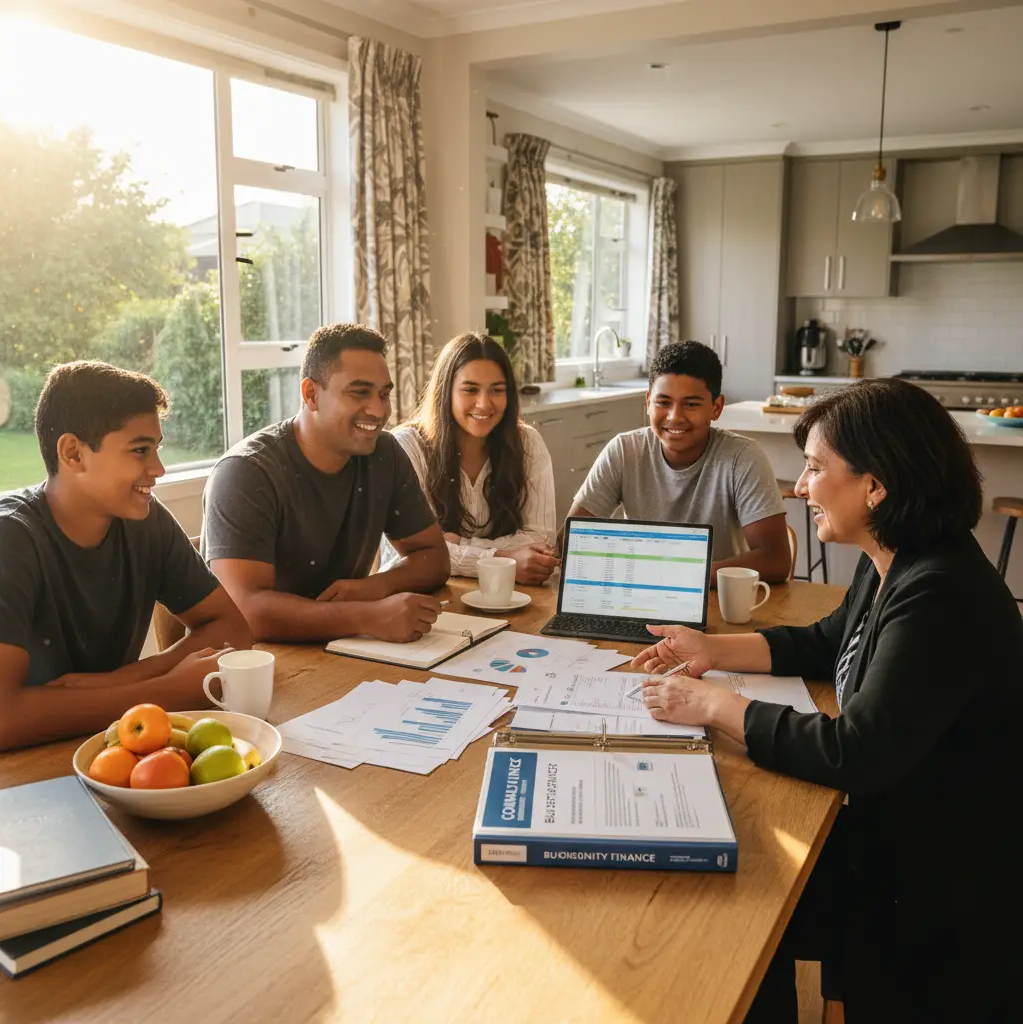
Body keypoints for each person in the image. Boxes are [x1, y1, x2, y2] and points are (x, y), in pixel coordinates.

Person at [630, 378, 1021, 1020]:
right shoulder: (892, 556)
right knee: (737, 893)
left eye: (815, 468)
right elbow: (824, 642)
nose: (802, 487)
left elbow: (856, 752)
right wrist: (710, 649)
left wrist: (712, 706)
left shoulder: (940, 593)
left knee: (734, 901)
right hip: (900, 840)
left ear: (876, 485)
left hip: (942, 891)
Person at [0, 362, 252, 751]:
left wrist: (125, 679)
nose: (159, 469)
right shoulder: (10, 540)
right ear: (73, 453)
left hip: (114, 749)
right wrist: (166, 692)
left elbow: (232, 629)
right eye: (139, 450)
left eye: (157, 449)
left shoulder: (146, 521)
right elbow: (3, 716)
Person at [202, 323, 450, 644]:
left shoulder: (384, 453)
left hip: (341, 649)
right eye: (359, 392)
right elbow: (245, 611)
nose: (379, 410)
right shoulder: (246, 472)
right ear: (311, 394)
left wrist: (374, 587)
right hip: (259, 659)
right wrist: (367, 616)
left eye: (384, 394)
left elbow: (434, 558)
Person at [565, 340, 790, 582]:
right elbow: (570, 540)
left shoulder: (742, 457)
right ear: (648, 403)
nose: (674, 417)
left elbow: (776, 560)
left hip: (715, 597)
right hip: (638, 593)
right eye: (663, 403)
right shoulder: (624, 450)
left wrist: (684, 577)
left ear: (716, 407)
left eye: (691, 404)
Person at [388, 333, 559, 585]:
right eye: (470, 390)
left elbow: (541, 541)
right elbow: (413, 555)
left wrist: (460, 543)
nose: (483, 404)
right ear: (446, 391)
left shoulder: (528, 443)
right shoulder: (406, 446)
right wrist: (501, 558)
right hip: (429, 592)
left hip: (506, 592)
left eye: (496, 390)